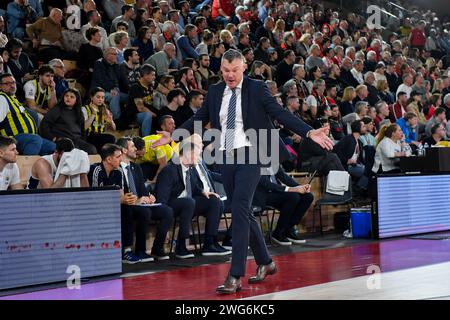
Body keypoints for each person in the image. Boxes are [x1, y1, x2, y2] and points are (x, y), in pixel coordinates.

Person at [154, 49, 333, 294]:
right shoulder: (215, 92)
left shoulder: (257, 88)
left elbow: (279, 113)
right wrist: (173, 136)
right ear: (221, 70)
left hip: (252, 154)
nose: (230, 75)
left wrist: (309, 132)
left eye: (235, 70)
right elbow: (200, 117)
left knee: (239, 208)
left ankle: (235, 274)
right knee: (244, 211)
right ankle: (266, 262)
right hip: (225, 158)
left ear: (244, 68)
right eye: (226, 71)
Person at [156, 141, 231, 258]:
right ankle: (181, 247)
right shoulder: (169, 170)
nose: (199, 158)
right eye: (197, 154)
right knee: (188, 202)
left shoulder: (190, 169)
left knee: (214, 200)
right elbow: (162, 198)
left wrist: (203, 192)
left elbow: (195, 188)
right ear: (187, 154)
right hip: (171, 204)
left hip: (188, 203)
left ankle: (210, 243)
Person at [116, 137, 174, 261]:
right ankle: (140, 250)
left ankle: (157, 249)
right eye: (132, 147)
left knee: (167, 211)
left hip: (140, 204)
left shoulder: (136, 168)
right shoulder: (117, 169)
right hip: (126, 204)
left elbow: (142, 189)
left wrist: (149, 197)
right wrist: (137, 200)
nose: (136, 149)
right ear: (124, 150)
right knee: (144, 212)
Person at [253, 165, 314, 246]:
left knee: (308, 196)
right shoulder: (256, 161)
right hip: (263, 195)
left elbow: (284, 177)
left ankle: (288, 228)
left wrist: (301, 187)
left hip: (276, 192)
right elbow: (267, 184)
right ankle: (279, 232)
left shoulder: (271, 159)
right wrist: (293, 189)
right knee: (293, 197)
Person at [0, 73, 55, 156]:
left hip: (28, 138)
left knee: (53, 147)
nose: (12, 85)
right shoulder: (2, 98)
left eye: (13, 82)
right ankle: (25, 166)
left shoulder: (13, 98)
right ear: (0, 86)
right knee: (35, 140)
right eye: (7, 83)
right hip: (13, 139)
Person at [40, 88, 97, 155]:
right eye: (66, 96)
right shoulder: (57, 110)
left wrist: (82, 141)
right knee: (75, 151)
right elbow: (44, 124)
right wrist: (52, 138)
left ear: (76, 100)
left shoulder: (79, 113)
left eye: (72, 97)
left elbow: (82, 130)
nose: (68, 98)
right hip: (63, 140)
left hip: (77, 140)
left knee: (92, 150)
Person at [124, 64, 157, 137]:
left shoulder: (151, 84)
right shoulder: (136, 87)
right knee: (148, 115)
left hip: (148, 111)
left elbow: (164, 89)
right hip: (134, 115)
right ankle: (145, 139)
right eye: (152, 75)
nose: (154, 77)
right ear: (145, 75)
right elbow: (141, 108)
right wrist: (154, 114)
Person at [82, 87, 116, 152]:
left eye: (102, 97)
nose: (100, 99)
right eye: (98, 97)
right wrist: (93, 114)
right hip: (88, 137)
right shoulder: (84, 109)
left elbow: (113, 129)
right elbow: (84, 127)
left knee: (112, 139)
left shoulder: (105, 110)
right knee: (110, 138)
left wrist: (111, 122)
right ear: (91, 97)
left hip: (100, 138)